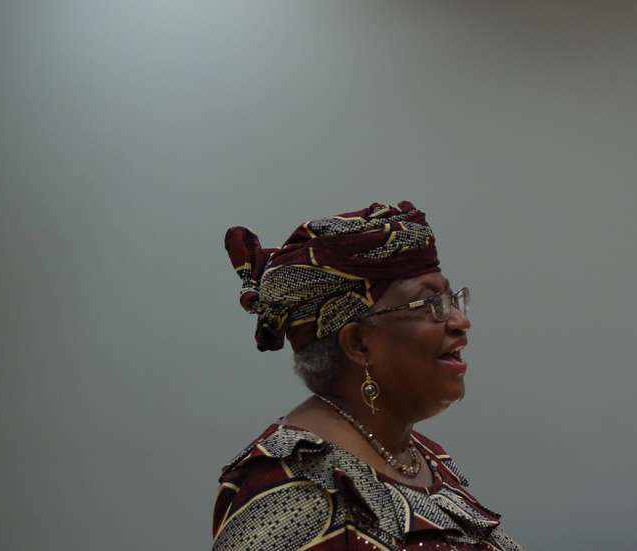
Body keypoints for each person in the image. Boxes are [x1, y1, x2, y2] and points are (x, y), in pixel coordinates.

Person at [213, 201, 523, 550]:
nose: (460, 322)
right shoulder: (290, 487)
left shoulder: (422, 457)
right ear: (359, 343)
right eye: (429, 303)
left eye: (452, 299)